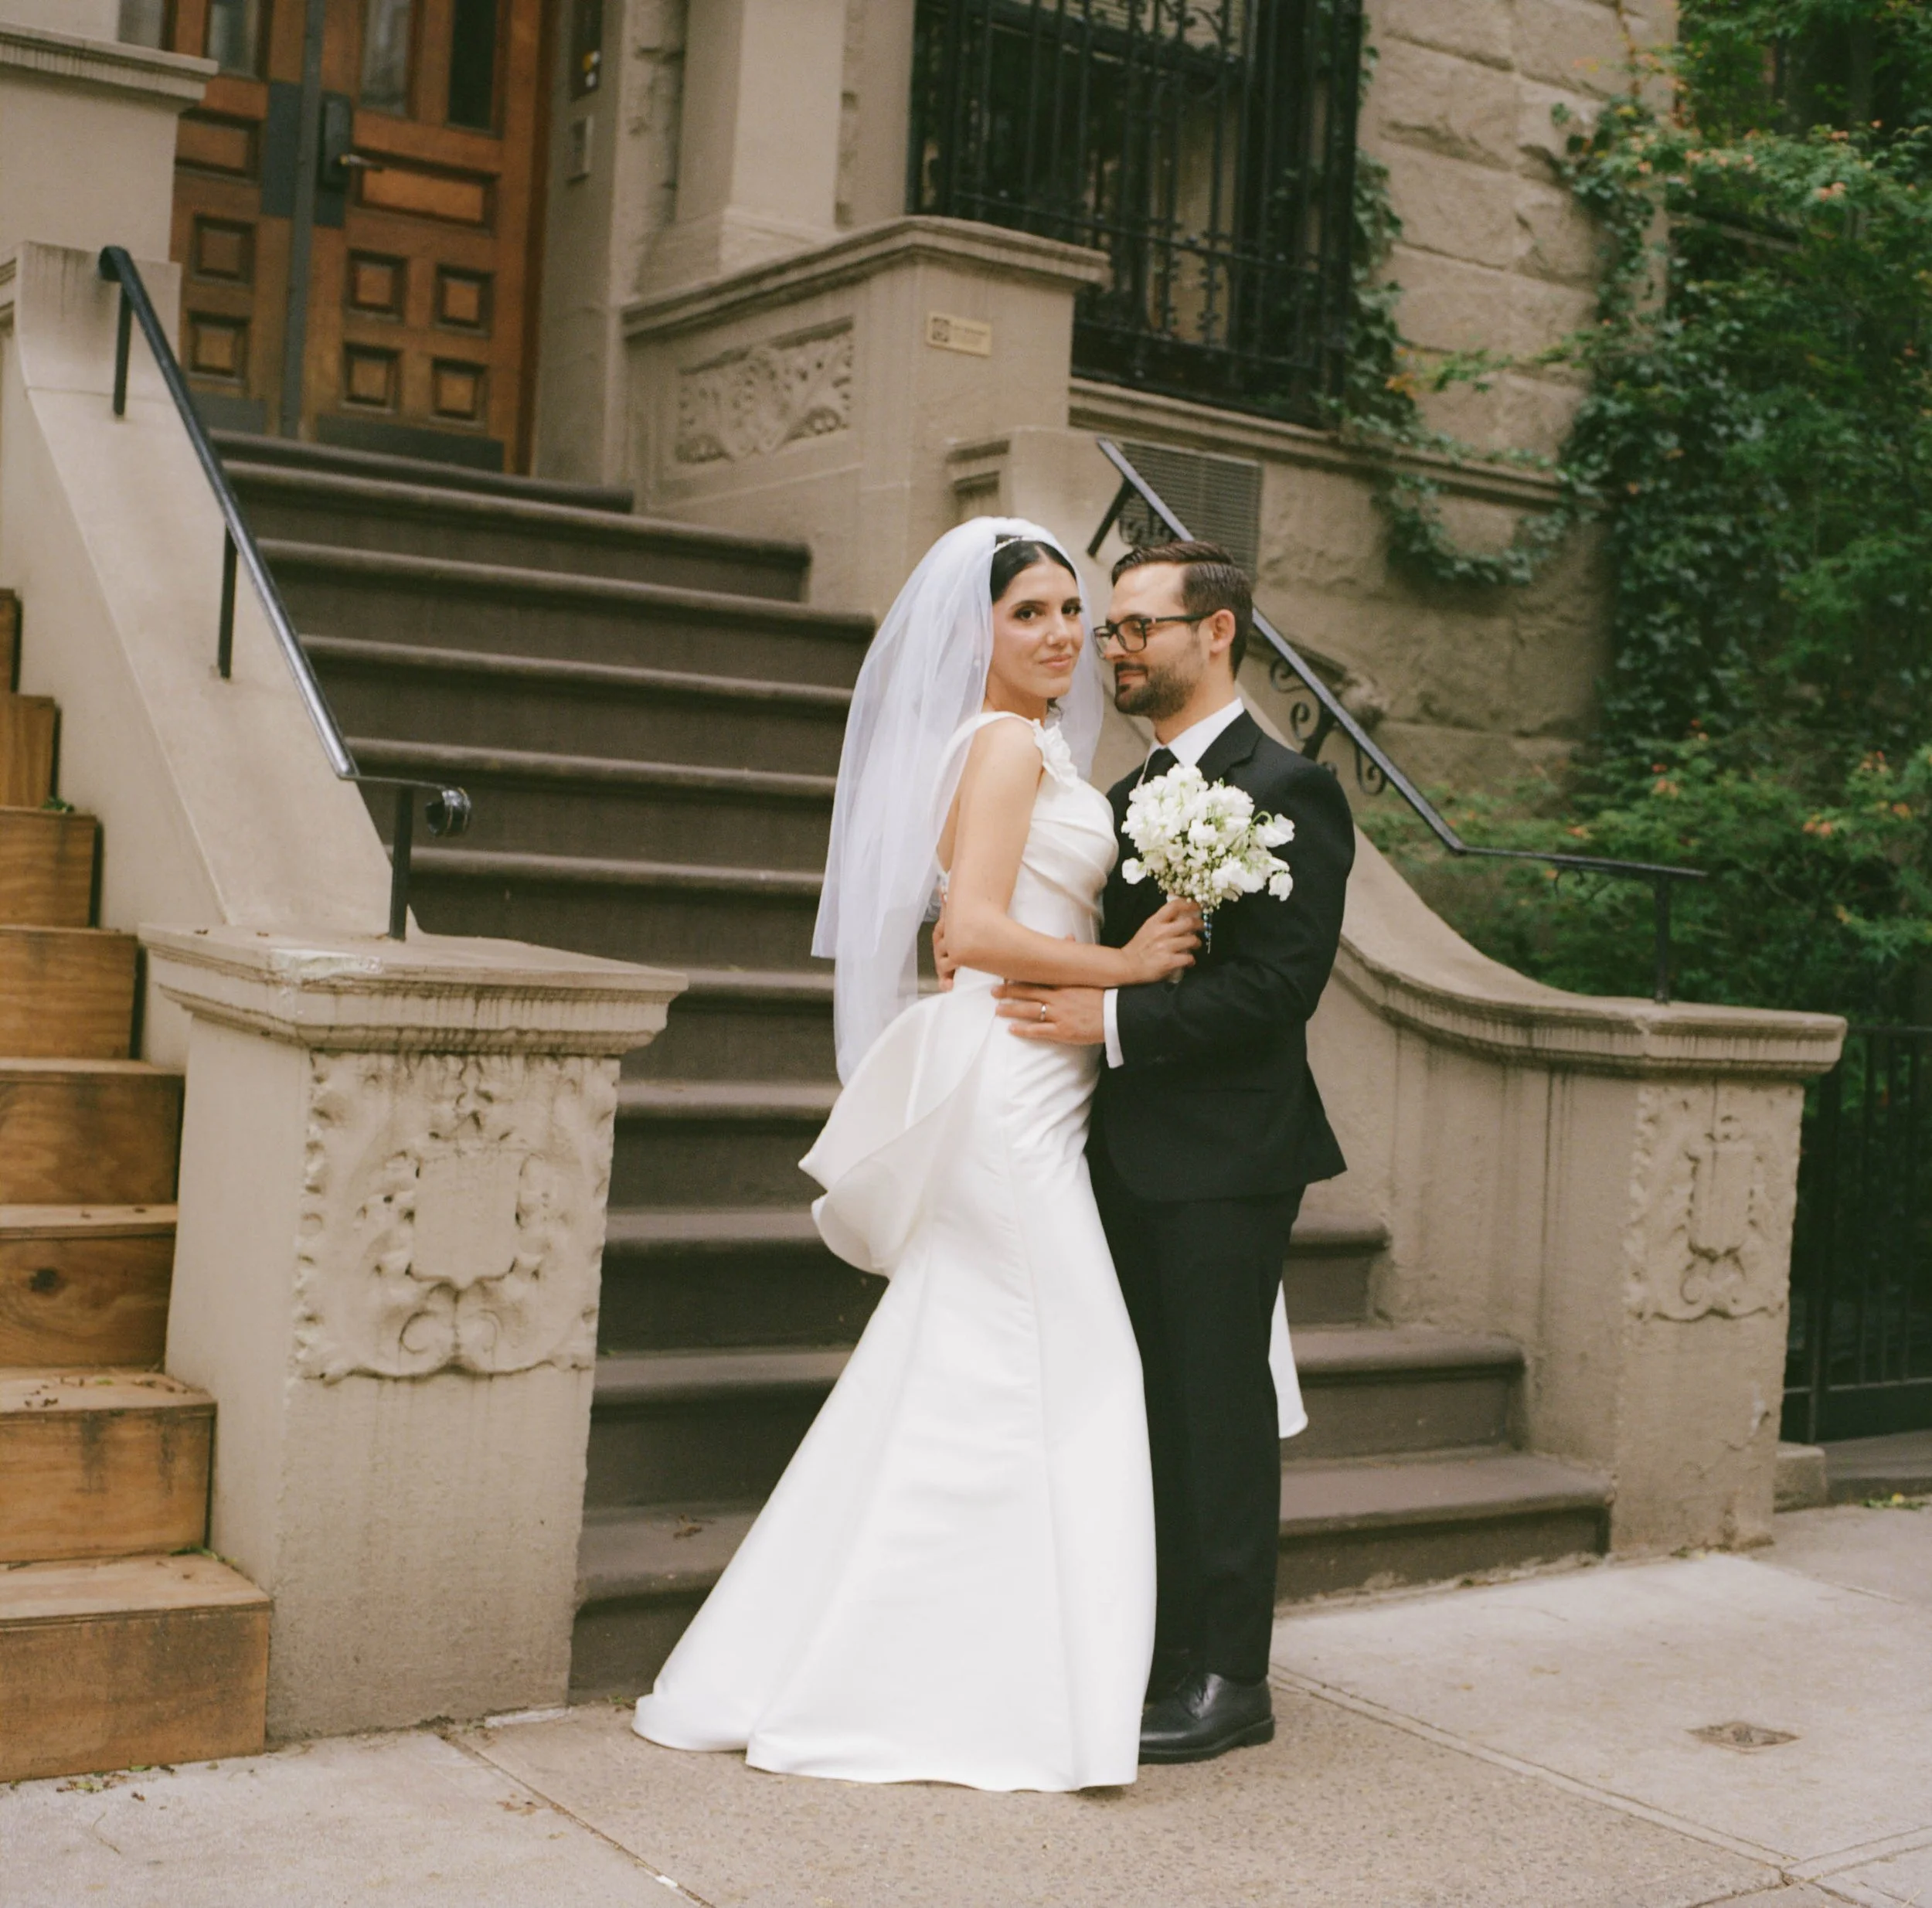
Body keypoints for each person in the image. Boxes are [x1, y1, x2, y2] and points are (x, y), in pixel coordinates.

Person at [631, 517, 1201, 1791]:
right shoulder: (999, 744)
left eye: (1074, 613)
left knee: (960, 1366)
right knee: (1078, 1364)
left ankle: (910, 1655)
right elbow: (978, 929)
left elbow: (973, 932)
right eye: (1031, 615)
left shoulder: (1033, 747)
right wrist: (1124, 964)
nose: (1062, 635)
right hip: (1009, 1098)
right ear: (975, 635)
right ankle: (1002, 1685)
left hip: (1048, 1088)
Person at [994, 539, 1355, 1764]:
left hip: (1225, 1158)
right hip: (1114, 1151)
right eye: (1111, 630)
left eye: (1141, 625)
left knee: (1216, 1414)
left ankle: (1228, 1678)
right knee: (1139, 1413)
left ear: (1220, 634)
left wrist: (1105, 1017)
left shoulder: (1288, 785)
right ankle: (1150, 1650)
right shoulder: (1118, 789)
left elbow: (1277, 990)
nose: (1116, 647)